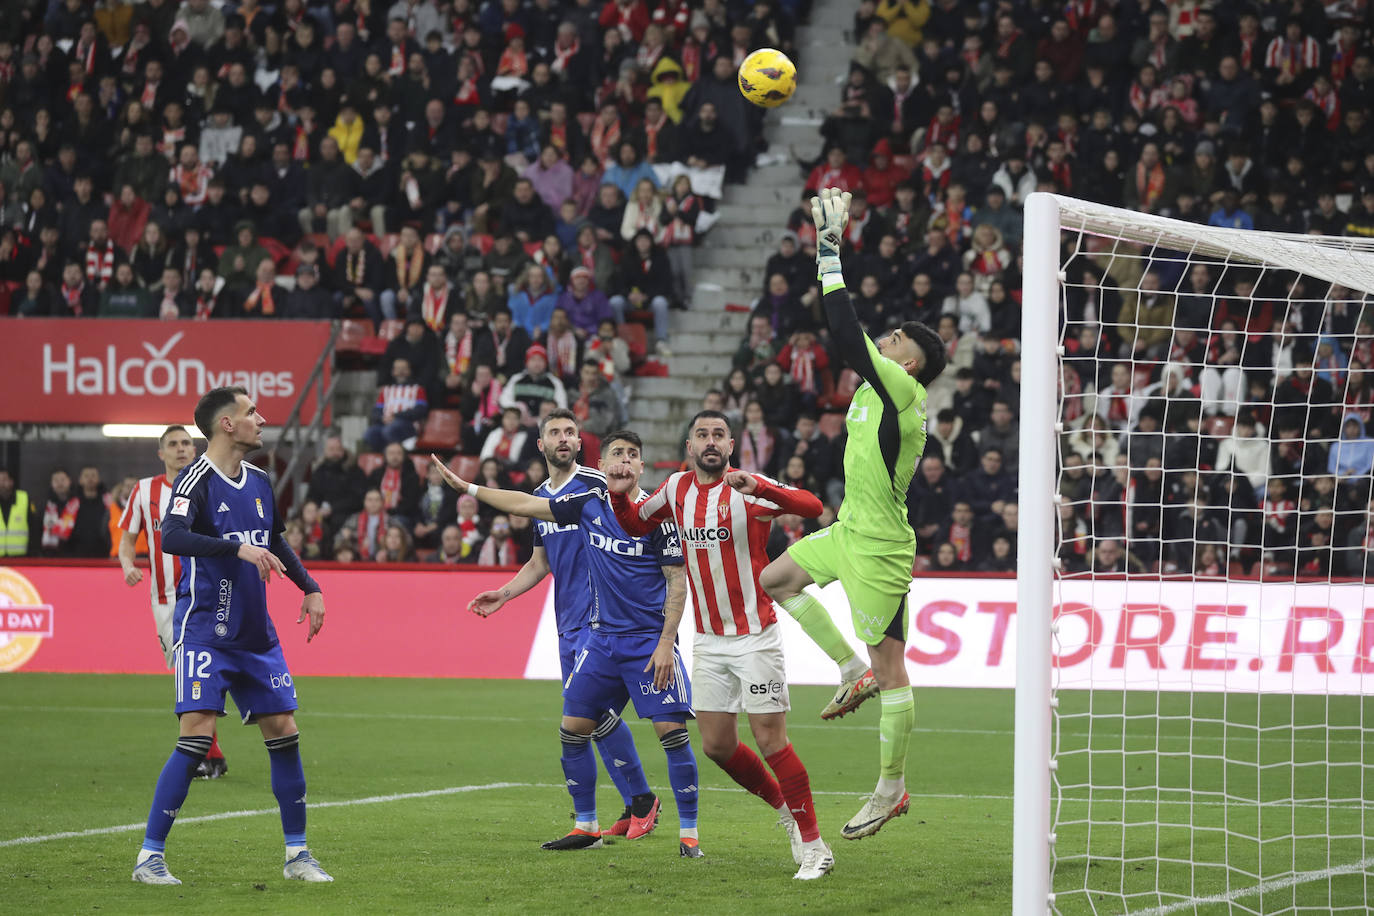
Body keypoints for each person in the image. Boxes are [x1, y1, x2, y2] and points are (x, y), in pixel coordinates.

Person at [759, 188, 947, 841]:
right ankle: (847, 668)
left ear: (910, 362)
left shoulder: (903, 389)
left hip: (880, 548)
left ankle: (891, 789)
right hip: (847, 531)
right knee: (775, 581)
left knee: (894, 668)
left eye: (893, 339)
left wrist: (830, 251)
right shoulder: (876, 390)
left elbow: (843, 332)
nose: (883, 341)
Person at [432, 429, 702, 857]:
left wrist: (667, 640)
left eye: (632, 455)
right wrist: (468, 489)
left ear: (640, 466)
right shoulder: (581, 503)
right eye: (618, 453)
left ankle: (684, 831)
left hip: (641, 639)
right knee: (577, 725)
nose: (624, 462)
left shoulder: (641, 507)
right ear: (539, 443)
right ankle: (595, 821)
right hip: (591, 633)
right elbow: (529, 525)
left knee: (669, 733)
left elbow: (677, 580)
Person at [609, 409, 834, 879]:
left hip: (755, 635)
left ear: (731, 445)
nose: (710, 442)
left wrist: (766, 489)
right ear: (689, 447)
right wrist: (620, 493)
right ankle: (784, 810)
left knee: (772, 741)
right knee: (716, 745)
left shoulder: (747, 487)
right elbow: (635, 524)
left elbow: (813, 507)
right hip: (708, 640)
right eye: (702, 435)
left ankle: (815, 847)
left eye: (718, 435)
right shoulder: (675, 490)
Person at [132, 386, 330, 885]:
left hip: (256, 635)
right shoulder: (195, 479)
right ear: (226, 424)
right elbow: (172, 537)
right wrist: (233, 549)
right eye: (251, 413)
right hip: (204, 632)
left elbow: (275, 538)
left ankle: (298, 855)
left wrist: (309, 587)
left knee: (284, 731)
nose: (261, 420)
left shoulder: (261, 481)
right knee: (196, 734)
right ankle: (149, 857)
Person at [466, 409, 661, 837]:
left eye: (570, 432)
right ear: (541, 444)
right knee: (590, 719)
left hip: (602, 619)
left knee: (588, 715)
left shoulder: (597, 484)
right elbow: (540, 563)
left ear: (579, 441)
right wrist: (505, 594)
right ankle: (633, 805)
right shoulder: (540, 496)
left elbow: (638, 521)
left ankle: (635, 802)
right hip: (566, 623)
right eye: (554, 432)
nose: (564, 438)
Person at [117, 425, 229, 778]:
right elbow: (128, 537)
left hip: (207, 594)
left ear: (194, 450)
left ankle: (204, 755)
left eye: (186, 443)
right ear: (160, 453)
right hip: (165, 598)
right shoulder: (144, 490)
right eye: (174, 445)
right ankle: (211, 753)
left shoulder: (211, 484)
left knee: (195, 674)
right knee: (190, 675)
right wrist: (126, 564)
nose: (181, 449)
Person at [0, 467, 39, 556]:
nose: (1, 483)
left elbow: (34, 528)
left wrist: (33, 554)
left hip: (21, 558)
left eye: (4, 480)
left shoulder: (24, 498)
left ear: (11, 482)